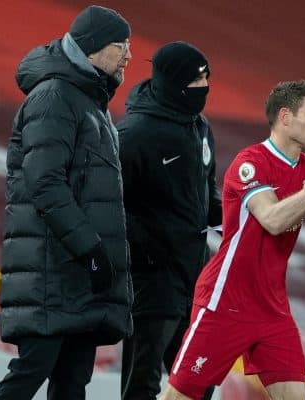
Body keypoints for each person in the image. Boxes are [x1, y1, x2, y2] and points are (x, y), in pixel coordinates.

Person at [158, 80, 305, 400]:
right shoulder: (250, 163)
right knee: (180, 397)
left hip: (271, 309)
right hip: (225, 303)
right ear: (285, 117)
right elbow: (272, 220)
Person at [0, 5, 133, 400]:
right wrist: (89, 247)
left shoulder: (92, 104)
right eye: (120, 45)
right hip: (51, 270)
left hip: (78, 274)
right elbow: (46, 183)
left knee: (72, 382)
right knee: (31, 372)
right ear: (91, 50)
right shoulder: (55, 96)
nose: (128, 56)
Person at [117, 41, 221, 400]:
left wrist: (249, 210)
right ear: (173, 82)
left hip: (195, 277)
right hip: (153, 280)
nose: (204, 87)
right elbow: (109, 204)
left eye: (207, 78)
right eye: (196, 80)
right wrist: (145, 250)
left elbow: (208, 197)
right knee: (141, 383)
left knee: (196, 380)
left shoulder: (200, 128)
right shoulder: (134, 135)